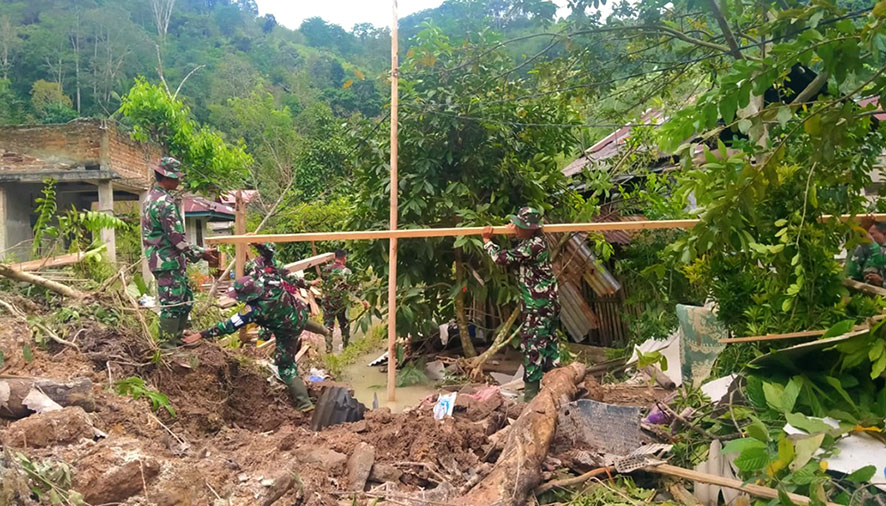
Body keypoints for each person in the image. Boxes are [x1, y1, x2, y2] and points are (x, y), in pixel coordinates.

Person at [182, 273, 319, 412]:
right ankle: (324, 331)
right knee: (295, 321)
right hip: (298, 311)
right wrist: (308, 283)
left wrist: (200, 334)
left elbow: (227, 326)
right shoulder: (271, 281)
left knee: (285, 366)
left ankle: (304, 403)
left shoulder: (253, 310)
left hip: (288, 329)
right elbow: (289, 277)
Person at [482, 207, 560, 401]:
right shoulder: (536, 242)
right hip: (548, 303)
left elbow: (502, 258)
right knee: (549, 345)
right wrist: (515, 232)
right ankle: (555, 391)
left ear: (530, 228)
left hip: (537, 306)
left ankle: (531, 397)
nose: (515, 228)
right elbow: (520, 250)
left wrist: (487, 241)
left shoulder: (533, 246)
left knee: (533, 348)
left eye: (519, 226)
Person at [142, 156, 217, 346]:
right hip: (167, 260)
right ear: (165, 177)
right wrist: (200, 253)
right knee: (172, 304)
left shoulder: (150, 199)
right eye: (176, 177)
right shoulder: (164, 203)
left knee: (185, 299)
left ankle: (178, 337)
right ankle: (168, 345)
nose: (178, 181)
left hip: (166, 260)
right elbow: (176, 238)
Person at [319, 249, 369, 353]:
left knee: (328, 325)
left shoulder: (325, 270)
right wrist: (363, 300)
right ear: (344, 258)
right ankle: (346, 345)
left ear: (335, 257)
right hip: (340, 303)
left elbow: (323, 280)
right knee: (344, 324)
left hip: (327, 303)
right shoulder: (346, 271)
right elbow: (354, 287)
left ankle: (328, 349)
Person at [848, 222, 886, 287]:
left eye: (871, 234)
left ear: (884, 234)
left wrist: (881, 282)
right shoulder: (862, 249)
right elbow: (852, 273)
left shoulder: (879, 251)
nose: (867, 237)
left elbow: (879, 258)